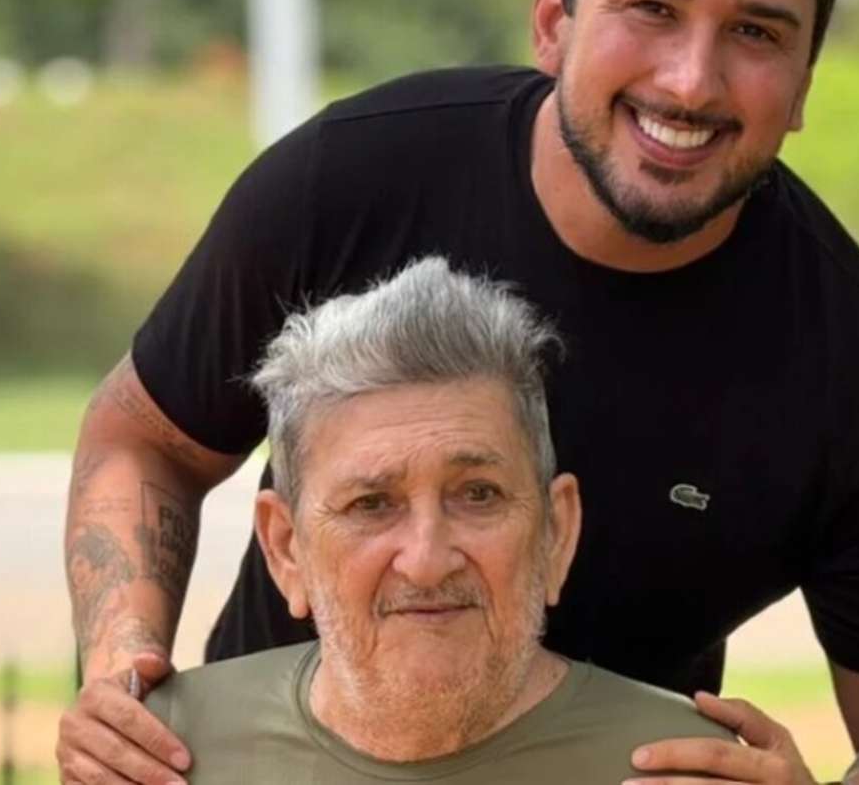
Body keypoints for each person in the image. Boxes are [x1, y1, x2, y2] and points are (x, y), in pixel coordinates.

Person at [58, 0, 859, 783]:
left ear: (804, 81)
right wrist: (124, 678)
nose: (690, 81)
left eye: (756, 32)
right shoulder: (345, 185)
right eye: (652, 8)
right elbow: (145, 439)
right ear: (555, 17)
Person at [143, 257, 736, 781]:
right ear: (286, 547)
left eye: (478, 494)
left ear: (556, 533)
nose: (426, 563)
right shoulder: (158, 753)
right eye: (371, 504)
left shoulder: (688, 766)